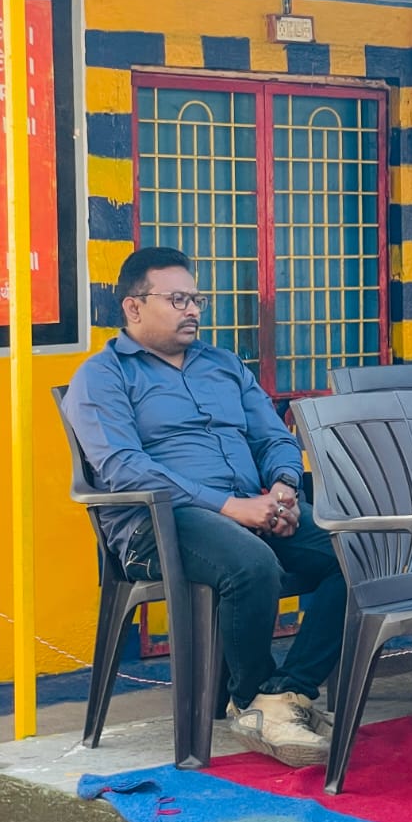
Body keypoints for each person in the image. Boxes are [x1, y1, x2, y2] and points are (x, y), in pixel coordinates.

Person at [63, 247, 346, 767]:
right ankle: (250, 696)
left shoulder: (224, 364)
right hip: (158, 522)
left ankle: (285, 693)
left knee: (356, 553)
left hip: (253, 508)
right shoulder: (103, 376)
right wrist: (231, 507)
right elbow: (123, 466)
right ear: (133, 307)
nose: (192, 309)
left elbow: (272, 435)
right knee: (251, 564)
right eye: (177, 299)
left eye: (196, 299)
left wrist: (283, 488)